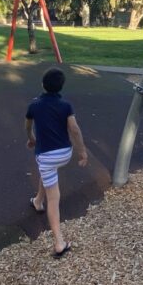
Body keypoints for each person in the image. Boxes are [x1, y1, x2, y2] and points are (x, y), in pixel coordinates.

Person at [26, 67, 87, 258]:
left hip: (46, 156)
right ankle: (37, 201)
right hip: (65, 153)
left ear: (43, 85)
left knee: (54, 198)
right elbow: (74, 129)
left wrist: (31, 138)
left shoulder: (34, 105)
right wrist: (82, 151)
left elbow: (27, 126)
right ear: (61, 87)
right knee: (48, 173)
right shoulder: (66, 105)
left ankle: (59, 242)